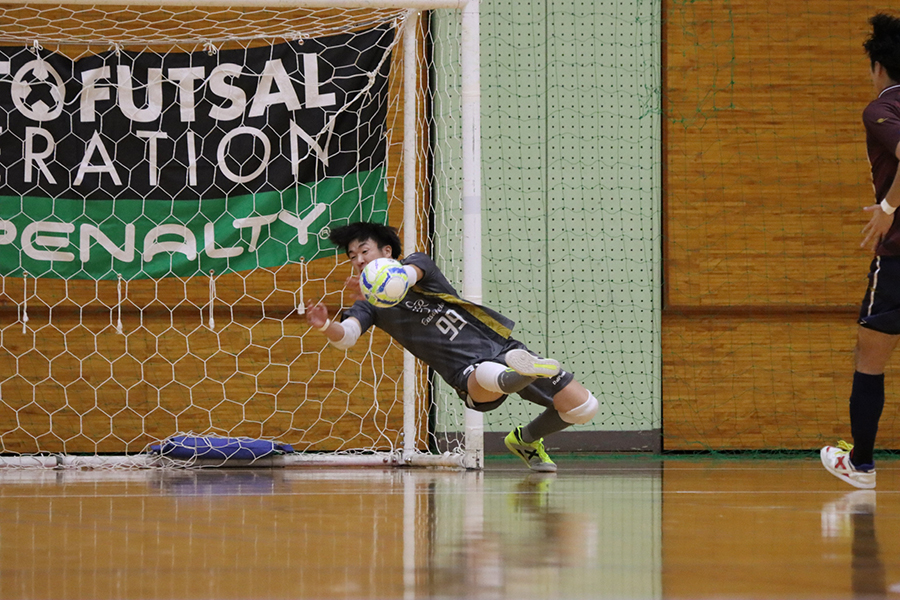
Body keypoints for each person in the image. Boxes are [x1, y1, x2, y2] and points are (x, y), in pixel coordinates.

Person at [304, 221, 598, 471]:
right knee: (488, 372)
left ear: (387, 252)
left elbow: (407, 276)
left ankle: (525, 440)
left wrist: (382, 282)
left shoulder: (418, 264)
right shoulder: (369, 306)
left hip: (500, 345)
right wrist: (325, 325)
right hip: (466, 373)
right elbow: (347, 335)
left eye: (364, 251)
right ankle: (522, 373)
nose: (358, 260)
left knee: (584, 408)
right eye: (352, 256)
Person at [821, 13, 900, 490]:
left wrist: (888, 207)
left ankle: (862, 464)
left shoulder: (881, 109)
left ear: (878, 67)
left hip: (897, 257)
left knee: (870, 355)